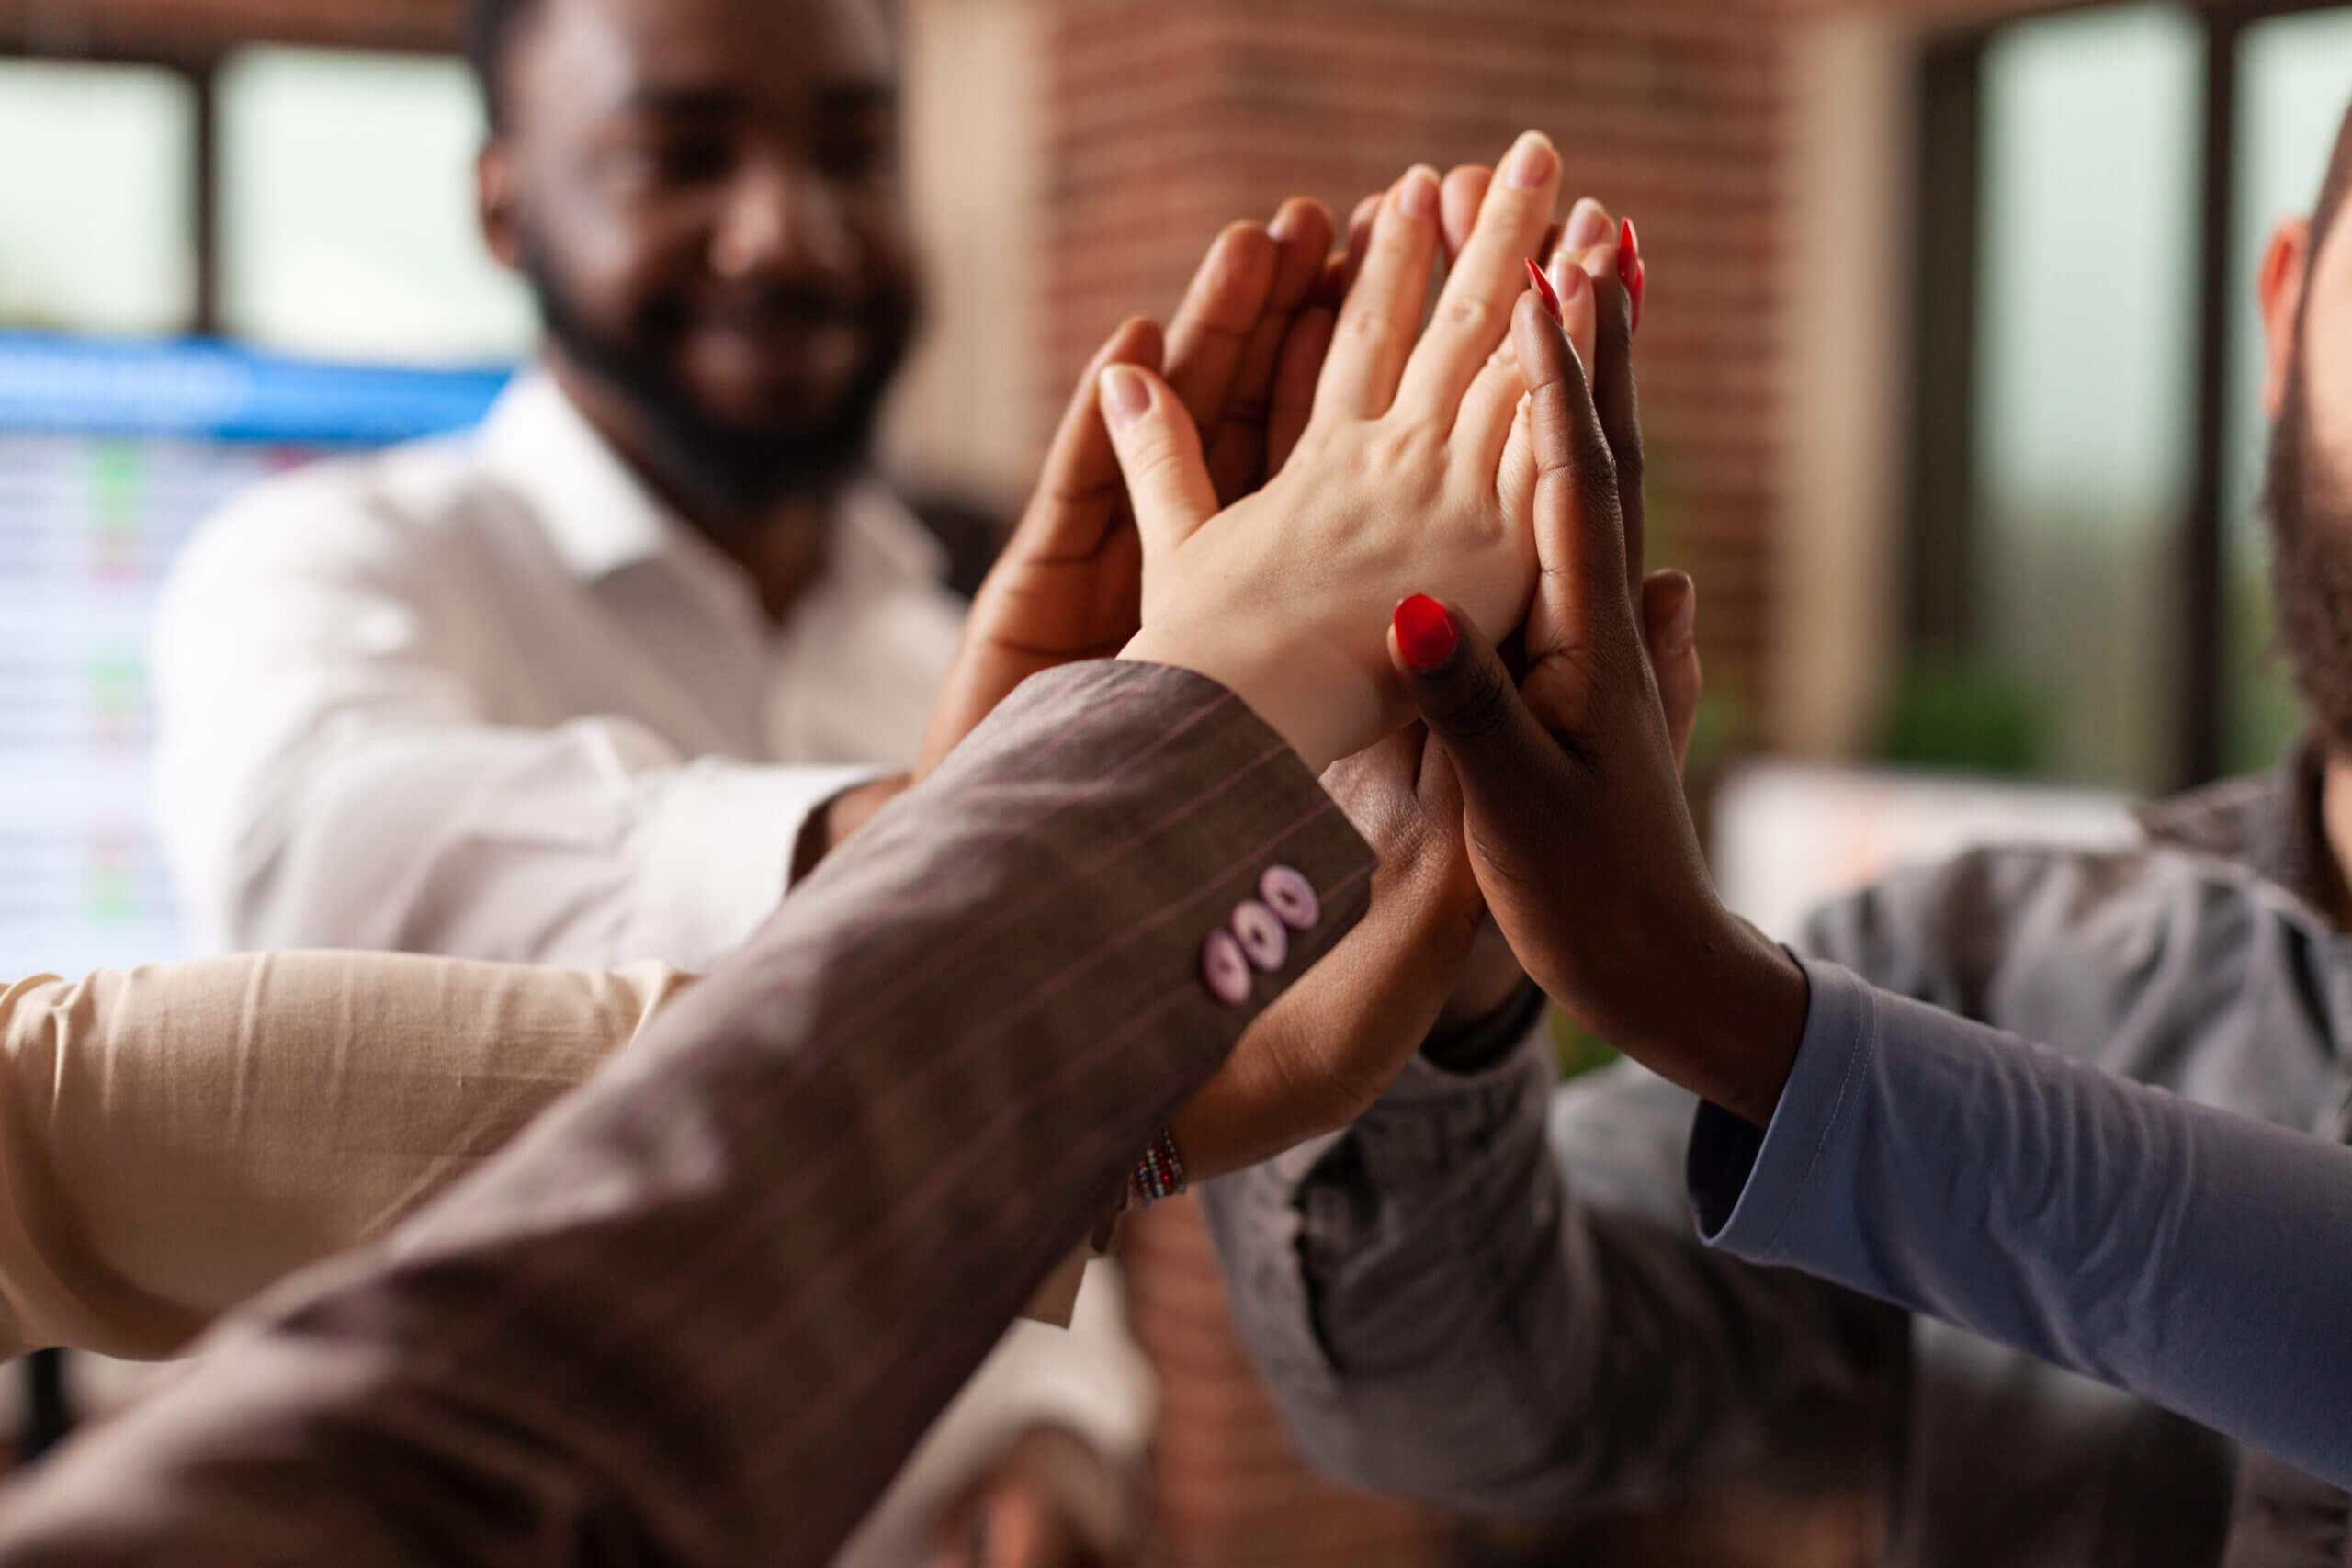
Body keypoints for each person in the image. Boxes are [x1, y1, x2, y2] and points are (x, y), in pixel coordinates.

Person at [0, 182, 1573, 1565]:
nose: (785, 226)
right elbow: (339, 880)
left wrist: (1061, 1420)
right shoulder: (328, 553)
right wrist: (1071, 815)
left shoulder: (940, 628)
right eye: (684, 149)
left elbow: (76, 1118)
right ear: (504, 197)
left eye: (846, 144)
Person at [1205, 104, 2352, 1568]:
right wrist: (1439, 945)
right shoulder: (1987, 961)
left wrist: (1725, 1009)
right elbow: (1478, 1405)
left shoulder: (1856, 1001)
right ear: (2286, 311)